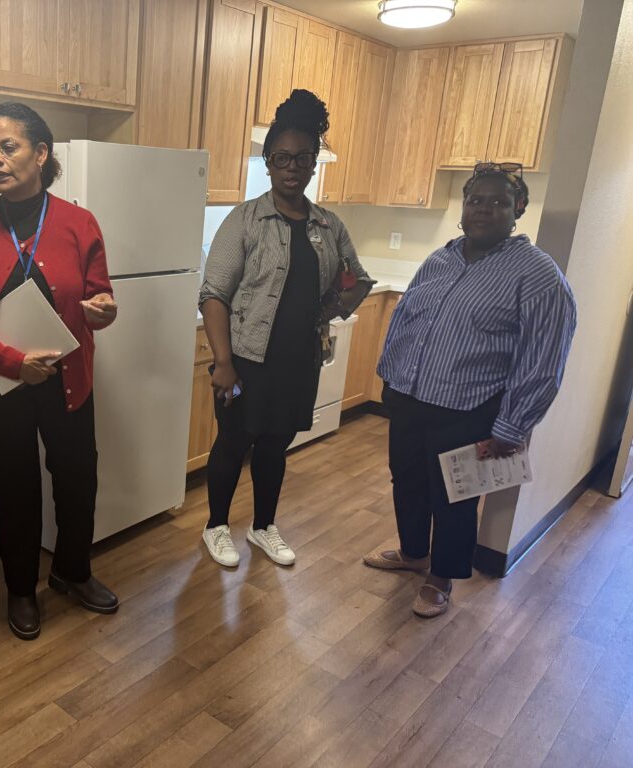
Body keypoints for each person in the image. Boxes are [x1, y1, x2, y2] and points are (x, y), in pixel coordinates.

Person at [0, 101, 119, 641]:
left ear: (41, 153)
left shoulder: (79, 222)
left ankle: (72, 571)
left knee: (77, 479)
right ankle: (21, 588)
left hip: (67, 382)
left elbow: (98, 294)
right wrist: (14, 364)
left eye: (8, 146)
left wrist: (104, 309)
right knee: (15, 488)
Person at [365, 163, 576, 618]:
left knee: (454, 497)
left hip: (468, 408)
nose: (484, 209)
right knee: (408, 482)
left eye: (498, 201)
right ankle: (414, 553)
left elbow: (543, 359)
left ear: (518, 209)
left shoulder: (537, 275)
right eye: (476, 200)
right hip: (409, 397)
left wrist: (512, 426)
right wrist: (390, 377)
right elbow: (406, 319)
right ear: (464, 207)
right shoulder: (441, 258)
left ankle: (441, 576)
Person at [198, 90, 373, 569]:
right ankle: (216, 526)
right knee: (234, 443)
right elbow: (213, 294)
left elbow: (357, 277)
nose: (292, 167)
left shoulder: (328, 225)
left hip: (298, 360)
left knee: (276, 445)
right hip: (247, 361)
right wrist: (225, 364)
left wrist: (336, 303)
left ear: (314, 163)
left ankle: (262, 527)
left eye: (302, 158)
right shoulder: (245, 221)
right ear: (268, 163)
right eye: (281, 158)